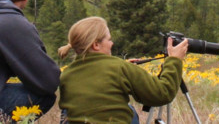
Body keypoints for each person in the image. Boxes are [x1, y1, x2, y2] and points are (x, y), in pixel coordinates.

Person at [57, 16, 188, 124]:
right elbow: (163, 93)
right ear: (96, 45)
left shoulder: (66, 75)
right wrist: (174, 60)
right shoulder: (119, 68)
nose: (112, 43)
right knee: (130, 112)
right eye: (109, 39)